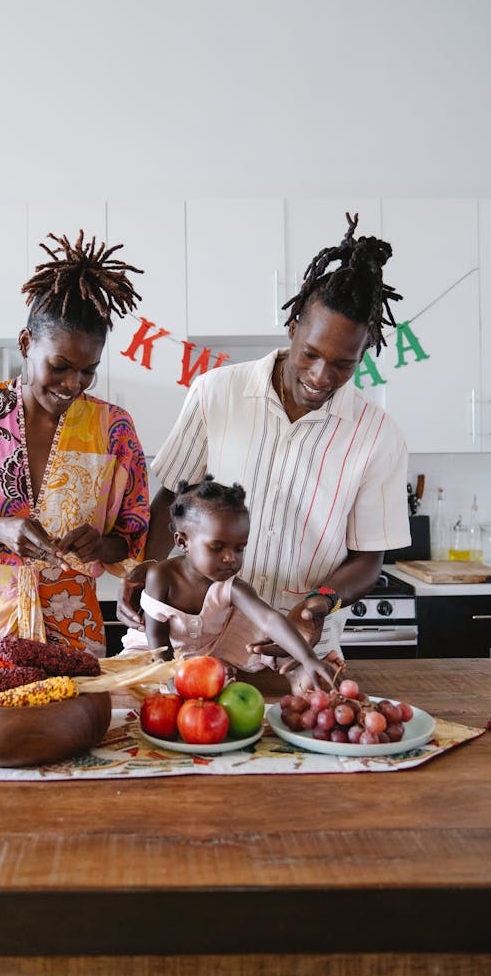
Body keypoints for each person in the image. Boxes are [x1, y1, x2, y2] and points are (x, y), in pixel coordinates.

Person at [118, 212, 411, 689]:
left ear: (364, 353)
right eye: (312, 353)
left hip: (297, 643)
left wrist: (319, 603)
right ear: (293, 324)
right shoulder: (218, 391)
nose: (321, 377)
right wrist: (147, 568)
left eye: (343, 364)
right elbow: (171, 499)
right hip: (192, 632)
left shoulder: (378, 435)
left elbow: (368, 560)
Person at [0, 230, 149, 657]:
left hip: (78, 639)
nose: (73, 384)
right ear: (25, 344)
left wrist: (99, 543)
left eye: (88, 371)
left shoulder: (114, 429)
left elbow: (130, 542)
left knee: (77, 725)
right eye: (60, 366)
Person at [122, 476, 338, 692]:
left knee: (255, 628)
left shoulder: (232, 586)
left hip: (209, 649)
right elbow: (157, 637)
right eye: (217, 547)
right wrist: (173, 682)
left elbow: (269, 619)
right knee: (133, 683)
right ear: (182, 541)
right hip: (156, 652)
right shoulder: (160, 576)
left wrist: (309, 658)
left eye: (239, 548)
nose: (231, 558)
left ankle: (297, 671)